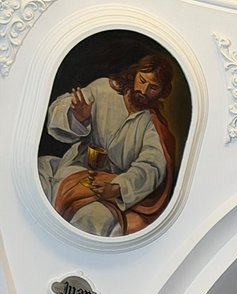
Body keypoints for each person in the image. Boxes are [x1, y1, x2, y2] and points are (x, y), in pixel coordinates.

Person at [38, 52, 177, 236]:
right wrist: (77, 118)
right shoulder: (103, 90)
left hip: (111, 190)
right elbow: (57, 112)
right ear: (135, 74)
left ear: (162, 92)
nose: (143, 91)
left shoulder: (152, 124)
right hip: (77, 168)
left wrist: (119, 187)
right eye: (142, 80)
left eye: (153, 87)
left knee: (93, 218)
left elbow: (152, 167)